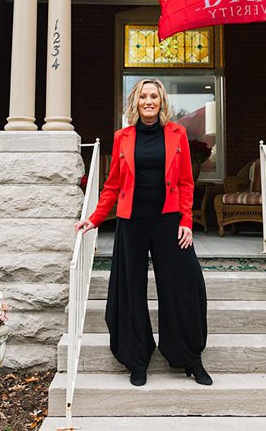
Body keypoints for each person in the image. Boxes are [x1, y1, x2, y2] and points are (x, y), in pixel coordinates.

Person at [74, 78, 211, 387]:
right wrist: (94, 219)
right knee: (130, 290)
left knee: (183, 285)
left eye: (154, 96)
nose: (148, 101)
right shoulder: (122, 137)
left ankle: (189, 358)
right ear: (135, 102)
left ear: (162, 102)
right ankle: (137, 359)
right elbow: (112, 185)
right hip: (131, 222)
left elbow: (187, 183)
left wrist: (186, 221)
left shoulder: (178, 135)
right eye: (143, 96)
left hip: (169, 221)